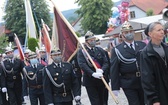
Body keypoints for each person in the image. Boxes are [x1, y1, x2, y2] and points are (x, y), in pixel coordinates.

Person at [110, 21, 146, 105]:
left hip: (143, 80)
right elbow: (114, 69)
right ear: (122, 34)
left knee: (144, 102)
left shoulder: (142, 45)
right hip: (128, 82)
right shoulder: (117, 50)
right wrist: (115, 87)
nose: (129, 34)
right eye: (126, 32)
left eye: (131, 31)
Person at [77, 31, 109, 105]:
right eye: (91, 40)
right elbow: (82, 64)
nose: (93, 41)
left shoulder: (100, 50)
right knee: (95, 102)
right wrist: (93, 73)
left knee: (104, 101)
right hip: (90, 81)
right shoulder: (82, 52)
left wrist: (102, 70)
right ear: (86, 42)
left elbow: (106, 62)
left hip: (102, 79)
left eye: (94, 39)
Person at [140, 22, 168, 105]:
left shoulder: (166, 48)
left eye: (162, 29)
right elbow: (147, 78)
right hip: (159, 92)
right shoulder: (146, 53)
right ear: (150, 34)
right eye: (159, 30)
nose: (162, 32)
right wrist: (154, 99)